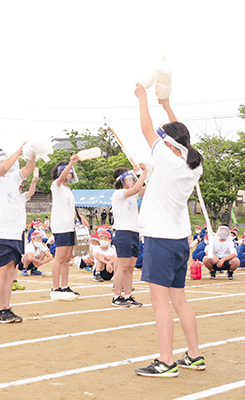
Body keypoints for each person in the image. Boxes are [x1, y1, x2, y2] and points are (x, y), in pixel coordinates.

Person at [133, 84, 205, 377]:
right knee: (180, 301)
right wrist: (167, 105)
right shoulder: (193, 166)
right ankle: (194, 356)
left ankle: (166, 361)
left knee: (160, 303)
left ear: (170, 144)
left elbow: (147, 129)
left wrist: (143, 98)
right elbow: (182, 141)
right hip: (178, 241)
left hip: (160, 240)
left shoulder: (165, 159)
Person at [0, 145, 35, 322]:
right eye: (0, 158)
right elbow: (4, 168)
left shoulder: (11, 179)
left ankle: (6, 308)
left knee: (11, 269)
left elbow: (28, 169)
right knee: (1, 269)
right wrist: (19, 150)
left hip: (14, 232)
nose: (5, 161)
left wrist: (32, 153)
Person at [49, 155, 88, 300]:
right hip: (61, 227)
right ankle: (55, 287)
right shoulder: (56, 186)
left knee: (67, 259)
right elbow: (60, 179)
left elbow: (71, 208)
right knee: (59, 258)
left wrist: (80, 217)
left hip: (70, 226)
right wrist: (70, 163)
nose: (70, 174)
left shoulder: (68, 190)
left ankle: (64, 286)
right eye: (68, 171)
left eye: (72, 172)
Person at [110, 164, 147, 307]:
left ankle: (128, 295)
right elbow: (137, 188)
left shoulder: (131, 194)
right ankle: (117, 296)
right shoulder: (119, 193)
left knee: (131, 267)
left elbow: (143, 189)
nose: (131, 180)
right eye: (129, 177)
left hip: (133, 232)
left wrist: (151, 174)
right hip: (123, 232)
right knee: (123, 267)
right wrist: (144, 172)